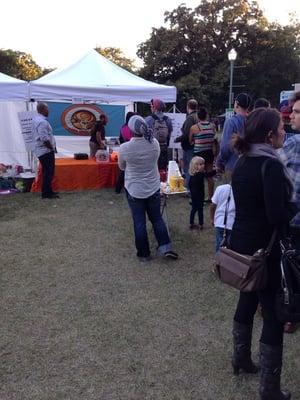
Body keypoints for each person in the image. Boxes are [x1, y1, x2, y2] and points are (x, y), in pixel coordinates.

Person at [229, 108, 295, 400]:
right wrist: (292, 208)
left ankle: (240, 359)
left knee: (247, 299)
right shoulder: (270, 166)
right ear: (269, 135)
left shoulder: (243, 161)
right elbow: (275, 215)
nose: (284, 131)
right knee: (272, 315)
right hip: (265, 251)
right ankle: (270, 390)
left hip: (242, 245)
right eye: (281, 127)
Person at [118, 115, 178, 262]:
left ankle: (144, 254)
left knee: (139, 222)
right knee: (157, 218)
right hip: (152, 186)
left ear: (130, 130)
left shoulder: (125, 148)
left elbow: (122, 167)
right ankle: (166, 247)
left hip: (134, 189)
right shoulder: (154, 143)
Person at [278, 91, 300, 334]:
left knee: (289, 266)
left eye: (296, 112)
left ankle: (292, 315)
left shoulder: (293, 144)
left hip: (293, 218)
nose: (290, 116)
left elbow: (270, 168)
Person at [216, 93, 251, 175]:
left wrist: (220, 161)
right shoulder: (252, 121)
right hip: (249, 164)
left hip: (233, 164)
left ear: (236, 104)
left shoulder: (231, 122)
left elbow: (225, 147)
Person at [189, 106, 216, 200]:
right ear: (206, 115)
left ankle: (198, 197)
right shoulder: (213, 126)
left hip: (198, 153)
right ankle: (211, 196)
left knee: (197, 177)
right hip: (209, 153)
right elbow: (213, 138)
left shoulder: (194, 127)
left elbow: (190, 140)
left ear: (197, 116)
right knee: (210, 176)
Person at [32, 102, 58, 199]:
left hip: (42, 150)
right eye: (47, 109)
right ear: (43, 110)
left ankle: (48, 191)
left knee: (47, 172)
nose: (49, 111)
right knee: (49, 172)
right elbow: (44, 138)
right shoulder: (42, 122)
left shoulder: (36, 120)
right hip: (46, 151)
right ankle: (47, 193)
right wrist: (51, 148)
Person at [174, 99, 199, 189]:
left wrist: (177, 139)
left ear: (188, 107)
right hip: (196, 145)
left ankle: (188, 188)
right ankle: (192, 187)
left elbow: (187, 133)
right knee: (193, 167)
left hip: (189, 146)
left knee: (189, 168)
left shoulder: (190, 118)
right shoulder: (198, 116)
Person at [188, 156, 216, 230]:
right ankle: (199, 224)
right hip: (197, 196)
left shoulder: (195, 175)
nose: (203, 165)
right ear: (195, 166)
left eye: (203, 164)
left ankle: (193, 223)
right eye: (200, 164)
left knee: (195, 209)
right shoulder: (198, 175)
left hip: (197, 195)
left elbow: (208, 175)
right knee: (198, 210)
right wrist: (215, 171)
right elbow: (208, 175)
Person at [145, 99, 173, 171]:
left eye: (151, 106)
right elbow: (169, 133)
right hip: (164, 147)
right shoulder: (168, 119)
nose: (151, 108)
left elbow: (145, 134)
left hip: (152, 148)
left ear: (154, 108)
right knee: (163, 169)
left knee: (152, 169)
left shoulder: (148, 119)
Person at [210, 184, 235, 252]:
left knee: (219, 245)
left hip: (219, 222)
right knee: (230, 248)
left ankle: (218, 260)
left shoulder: (220, 188)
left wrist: (212, 219)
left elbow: (212, 205)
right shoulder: (240, 191)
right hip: (232, 224)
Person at [115, 111, 136, 194]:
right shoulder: (132, 127)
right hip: (132, 149)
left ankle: (118, 189)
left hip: (124, 149)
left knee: (123, 170)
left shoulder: (123, 127)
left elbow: (121, 139)